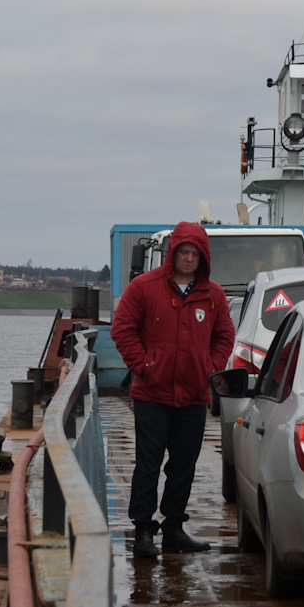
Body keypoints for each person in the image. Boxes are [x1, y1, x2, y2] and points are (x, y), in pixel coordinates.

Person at [110, 221, 236, 559]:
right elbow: (122, 329)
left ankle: (174, 528)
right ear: (173, 254)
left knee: (184, 464)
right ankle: (143, 530)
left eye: (195, 253)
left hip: (194, 397)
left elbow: (225, 335)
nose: (189, 258)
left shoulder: (213, 296)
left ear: (203, 257)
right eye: (184, 252)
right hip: (152, 395)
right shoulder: (144, 288)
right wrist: (143, 365)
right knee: (148, 463)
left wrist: (211, 368)